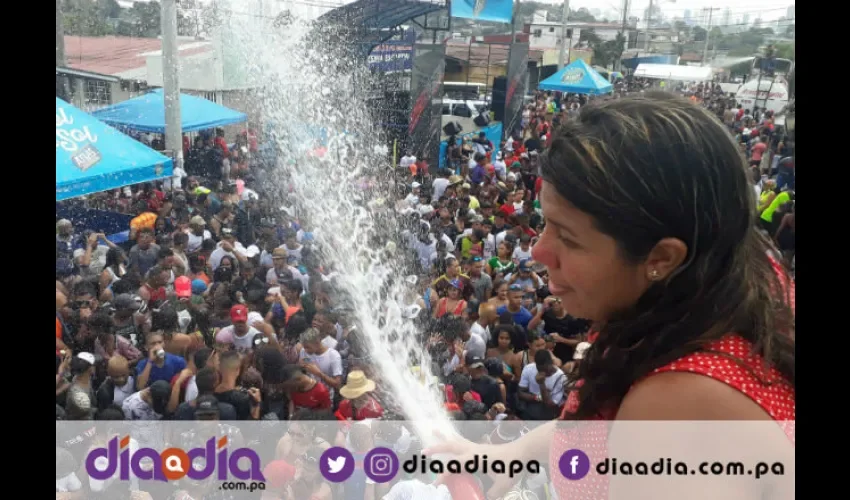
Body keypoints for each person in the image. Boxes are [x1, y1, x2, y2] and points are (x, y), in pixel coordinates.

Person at [425, 96, 794, 500]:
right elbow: (600, 427)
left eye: (567, 238)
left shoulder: (679, 405)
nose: (538, 252)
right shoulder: (719, 285)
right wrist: (516, 452)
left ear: (661, 257)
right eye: (546, 223)